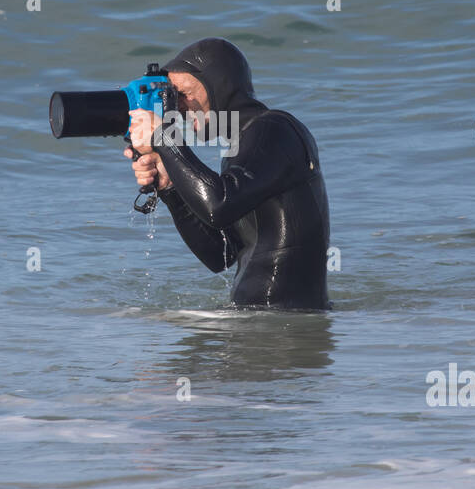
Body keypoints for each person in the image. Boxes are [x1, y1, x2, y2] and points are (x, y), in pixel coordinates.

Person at [124, 38, 331, 310]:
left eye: (182, 93)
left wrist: (163, 137)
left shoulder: (274, 130)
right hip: (268, 322)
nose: (179, 107)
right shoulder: (243, 146)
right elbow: (220, 254)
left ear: (218, 84)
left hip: (280, 329)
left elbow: (218, 205)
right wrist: (169, 186)